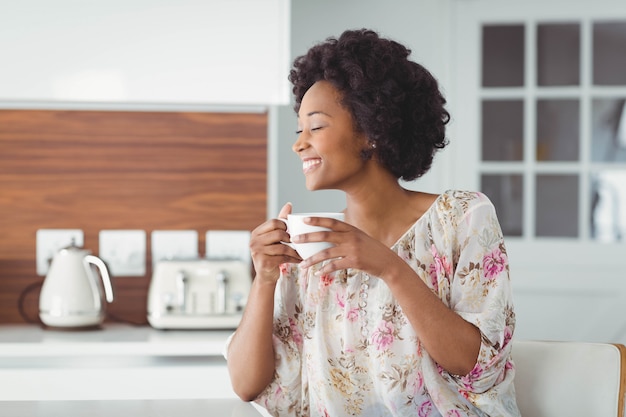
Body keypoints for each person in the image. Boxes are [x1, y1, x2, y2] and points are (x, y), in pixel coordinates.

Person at [226, 28, 520, 417]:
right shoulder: (309, 243)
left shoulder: (461, 217)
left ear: (371, 130)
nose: (299, 143)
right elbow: (246, 385)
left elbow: (474, 365)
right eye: (300, 130)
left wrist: (388, 266)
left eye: (315, 126)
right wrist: (264, 279)